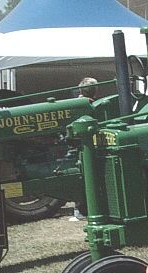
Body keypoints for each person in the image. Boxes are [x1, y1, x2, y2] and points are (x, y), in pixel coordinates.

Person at [69, 77, 99, 221]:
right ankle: (80, 209)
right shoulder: (89, 105)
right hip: (83, 145)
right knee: (84, 175)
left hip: (78, 143)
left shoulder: (75, 103)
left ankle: (80, 209)